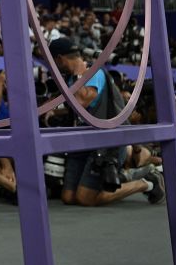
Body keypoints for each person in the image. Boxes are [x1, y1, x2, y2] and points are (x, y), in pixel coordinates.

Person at [47, 37, 166, 206]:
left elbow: (83, 101)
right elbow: (78, 108)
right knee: (68, 197)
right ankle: (126, 176)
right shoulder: (71, 79)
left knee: (85, 198)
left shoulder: (94, 72)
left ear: (59, 59)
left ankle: (146, 183)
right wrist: (56, 110)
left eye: (53, 62)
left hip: (106, 144)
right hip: (83, 141)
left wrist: (78, 72)